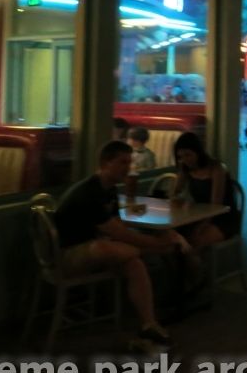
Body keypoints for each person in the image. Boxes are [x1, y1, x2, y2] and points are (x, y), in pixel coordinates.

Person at [53, 141, 181, 347]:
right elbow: (117, 232)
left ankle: (148, 325)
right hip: (65, 258)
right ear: (105, 163)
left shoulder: (109, 189)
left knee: (134, 264)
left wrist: (145, 242)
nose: (128, 168)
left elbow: (119, 227)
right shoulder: (88, 192)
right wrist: (156, 243)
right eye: (122, 162)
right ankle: (155, 248)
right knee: (105, 248)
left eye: (129, 162)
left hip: (91, 249)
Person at [170, 132, 240, 291]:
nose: (184, 160)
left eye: (188, 155)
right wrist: (175, 196)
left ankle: (196, 282)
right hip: (200, 215)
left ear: (198, 151)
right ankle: (182, 282)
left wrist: (200, 227)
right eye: (180, 157)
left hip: (223, 217)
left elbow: (216, 205)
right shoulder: (185, 169)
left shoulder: (216, 168)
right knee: (171, 243)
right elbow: (175, 190)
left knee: (191, 244)